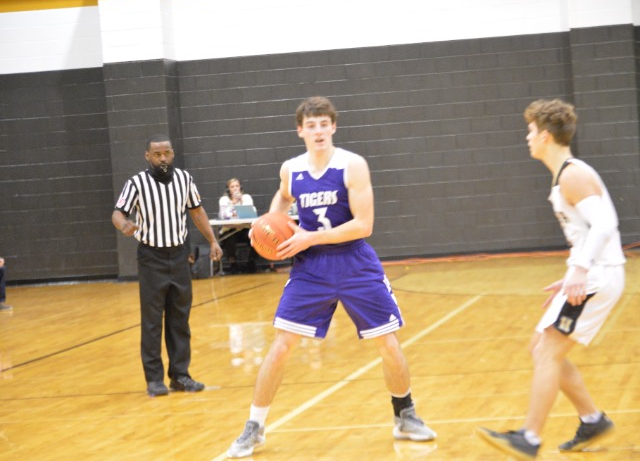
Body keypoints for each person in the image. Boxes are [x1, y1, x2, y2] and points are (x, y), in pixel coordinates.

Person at [226, 97, 436, 458]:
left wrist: (310, 237)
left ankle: (405, 415)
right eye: (311, 125)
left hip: (354, 262)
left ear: (334, 127)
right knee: (282, 344)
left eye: (324, 124)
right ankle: (254, 427)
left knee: (387, 342)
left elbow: (364, 225)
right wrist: (268, 226)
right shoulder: (291, 169)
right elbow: (282, 199)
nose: (319, 131)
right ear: (300, 131)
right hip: (311, 268)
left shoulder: (352, 166)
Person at [476, 99, 626, 459]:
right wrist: (573, 271)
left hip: (598, 275)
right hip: (591, 273)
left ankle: (529, 437)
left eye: (530, 131)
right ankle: (592, 420)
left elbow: (606, 224)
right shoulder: (565, 176)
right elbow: (586, 233)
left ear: (545, 136)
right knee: (540, 348)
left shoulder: (573, 175)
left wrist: (581, 270)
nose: (527, 138)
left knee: (547, 352)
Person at [112, 134, 223, 397]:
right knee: (152, 321)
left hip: (180, 255)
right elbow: (118, 212)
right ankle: (154, 379)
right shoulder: (137, 183)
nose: (163, 158)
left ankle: (180, 376)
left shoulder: (185, 179)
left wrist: (213, 240)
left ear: (172, 154)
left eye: (167, 153)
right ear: (147, 156)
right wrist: (123, 224)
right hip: (151, 257)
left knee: (179, 319)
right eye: (157, 154)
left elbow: (197, 211)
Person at [218, 178, 257, 274]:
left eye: (237, 186)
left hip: (244, 228)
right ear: (228, 189)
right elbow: (224, 216)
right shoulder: (224, 200)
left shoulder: (246, 198)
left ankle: (251, 261)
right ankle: (233, 263)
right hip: (230, 229)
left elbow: (252, 213)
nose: (235, 188)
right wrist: (234, 203)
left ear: (240, 187)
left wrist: (241, 201)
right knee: (229, 239)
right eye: (232, 187)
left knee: (255, 235)